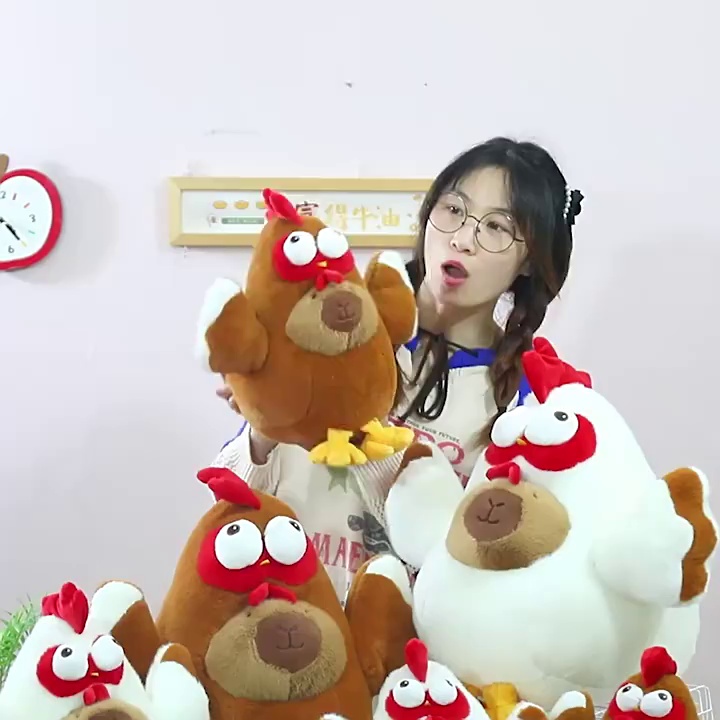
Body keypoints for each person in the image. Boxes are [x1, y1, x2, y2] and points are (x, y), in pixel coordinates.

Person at [211, 137, 583, 600]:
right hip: (290, 620)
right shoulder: (332, 322)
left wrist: (379, 452)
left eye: (496, 228)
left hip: (400, 638)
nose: (462, 239)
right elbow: (229, 503)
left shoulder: (525, 403)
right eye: (453, 210)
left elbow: (482, 565)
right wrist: (264, 424)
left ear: (528, 260)